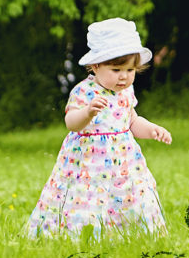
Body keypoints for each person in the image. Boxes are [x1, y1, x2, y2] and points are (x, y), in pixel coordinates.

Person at [27, 17, 171, 239]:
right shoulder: (84, 92)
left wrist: (152, 129)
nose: (124, 76)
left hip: (123, 160)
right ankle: (82, 234)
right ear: (95, 65)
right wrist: (87, 112)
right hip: (88, 163)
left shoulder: (125, 93)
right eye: (116, 69)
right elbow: (71, 122)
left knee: (128, 195)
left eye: (130, 70)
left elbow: (132, 121)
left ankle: (129, 233)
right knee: (88, 198)